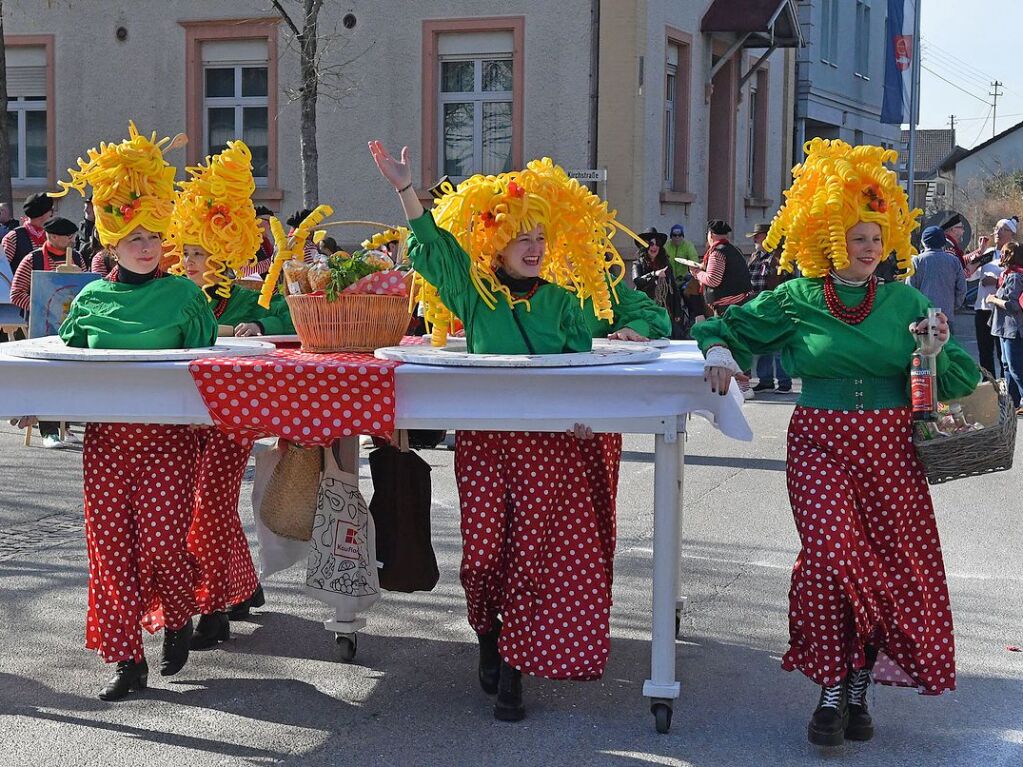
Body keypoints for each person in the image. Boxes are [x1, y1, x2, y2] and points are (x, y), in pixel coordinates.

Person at [694, 138, 980, 747]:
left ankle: (855, 687)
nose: (870, 250)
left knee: (882, 566)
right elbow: (726, 323)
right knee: (830, 558)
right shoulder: (798, 299)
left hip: (890, 449)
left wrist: (933, 349)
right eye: (858, 238)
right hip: (820, 441)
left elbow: (957, 379)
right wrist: (720, 352)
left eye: (877, 238)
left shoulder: (905, 300)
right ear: (829, 239)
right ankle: (831, 684)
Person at [370, 139, 643, 723]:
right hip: (487, 444)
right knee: (485, 553)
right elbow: (434, 252)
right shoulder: (477, 294)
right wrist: (405, 189)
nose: (536, 249)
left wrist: (623, 346)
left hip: (548, 451)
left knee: (528, 556)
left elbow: (589, 359)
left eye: (540, 239)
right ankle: (489, 636)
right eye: (524, 239)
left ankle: (514, 669)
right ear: (499, 244)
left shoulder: (565, 304)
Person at [52, 122, 217, 701]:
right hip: (107, 446)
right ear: (111, 240)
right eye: (132, 236)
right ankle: (127, 662)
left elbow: (207, 368)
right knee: (111, 553)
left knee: (166, 546)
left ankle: (177, 618)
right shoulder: (91, 299)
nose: (145, 245)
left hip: (170, 444)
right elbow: (62, 365)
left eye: (153, 234)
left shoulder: (187, 297)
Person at [168, 139, 285, 649]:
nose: (193, 262)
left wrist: (257, 321)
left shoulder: (243, 295)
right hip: (176, 420)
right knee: (196, 508)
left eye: (204, 253)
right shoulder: (168, 295)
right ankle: (244, 586)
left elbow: (286, 315)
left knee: (209, 509)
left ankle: (213, 607)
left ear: (227, 253)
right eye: (188, 252)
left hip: (229, 422)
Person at [9, 216, 85, 448]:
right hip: (41, 329)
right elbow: (16, 293)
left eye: (72, 236)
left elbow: (84, 289)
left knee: (70, 377)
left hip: (70, 329)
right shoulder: (32, 259)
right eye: (67, 236)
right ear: (52, 236)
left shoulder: (79, 258)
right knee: (47, 377)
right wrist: (40, 303)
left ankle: (66, 426)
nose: (71, 240)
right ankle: (48, 430)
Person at [747, 222, 792, 392]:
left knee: (779, 346)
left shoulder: (780, 257)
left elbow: (787, 282)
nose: (755, 240)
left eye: (757, 237)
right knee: (763, 344)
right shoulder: (755, 256)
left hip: (776, 306)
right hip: (757, 306)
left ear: (767, 237)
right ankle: (765, 380)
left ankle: (784, 382)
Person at [985, 242, 1023, 412]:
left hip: (1012, 329)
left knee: (1015, 368)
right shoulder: (1007, 275)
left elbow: (1013, 305)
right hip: (1004, 328)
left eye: (1003, 253)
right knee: (1006, 366)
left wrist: (993, 299)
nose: (1000, 256)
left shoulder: (1015, 277)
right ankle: (1012, 402)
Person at [909, 226, 966, 334]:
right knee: (947, 348)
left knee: (925, 349)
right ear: (943, 242)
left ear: (923, 242)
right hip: (946, 316)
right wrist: (954, 305)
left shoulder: (917, 261)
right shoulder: (954, 261)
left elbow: (910, 290)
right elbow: (962, 289)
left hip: (923, 316)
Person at [690, 220, 753, 315]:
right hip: (740, 302)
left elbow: (713, 280)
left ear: (710, 235)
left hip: (727, 307)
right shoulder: (734, 249)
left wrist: (697, 273)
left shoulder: (717, 253)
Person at [632, 229, 687, 338]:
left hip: (665, 310)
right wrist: (654, 274)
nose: (654, 247)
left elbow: (674, 287)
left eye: (657, 244)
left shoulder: (666, 264)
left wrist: (677, 312)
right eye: (651, 244)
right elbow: (637, 281)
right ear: (645, 246)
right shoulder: (637, 264)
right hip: (646, 309)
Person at [967, 241, 1003, 375]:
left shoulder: (1015, 251)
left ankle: (1007, 386)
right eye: (997, 229)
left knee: (1003, 353)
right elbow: (969, 275)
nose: (998, 232)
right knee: (985, 351)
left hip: (1003, 311)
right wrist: (980, 252)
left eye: (1004, 229)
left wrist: (996, 281)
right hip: (983, 308)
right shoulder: (989, 254)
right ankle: (989, 382)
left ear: (1011, 233)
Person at [3, 192, 54, 273]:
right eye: (51, 211)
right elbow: (2, 267)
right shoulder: (14, 237)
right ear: (43, 214)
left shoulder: (50, 236)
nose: (52, 215)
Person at [240, 205, 275, 277]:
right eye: (268, 221)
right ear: (256, 221)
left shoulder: (265, 242)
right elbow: (246, 272)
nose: (270, 226)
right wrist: (273, 260)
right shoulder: (245, 242)